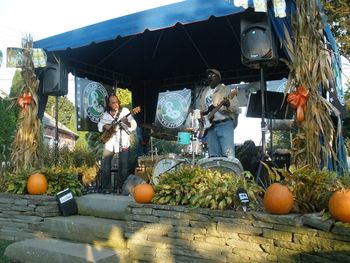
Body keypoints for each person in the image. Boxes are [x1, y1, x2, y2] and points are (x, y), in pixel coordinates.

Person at [98, 95, 137, 194]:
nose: (115, 104)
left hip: (123, 142)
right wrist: (104, 126)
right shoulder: (106, 114)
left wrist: (127, 122)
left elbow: (133, 126)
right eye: (113, 102)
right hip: (110, 143)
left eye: (116, 102)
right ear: (109, 104)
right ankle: (105, 188)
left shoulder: (124, 111)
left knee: (123, 166)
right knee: (105, 165)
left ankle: (122, 189)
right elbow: (99, 125)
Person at [198, 69, 240, 158]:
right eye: (209, 76)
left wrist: (228, 104)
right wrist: (201, 117)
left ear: (218, 78)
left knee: (228, 155)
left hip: (225, 124)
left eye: (213, 76)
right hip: (210, 126)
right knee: (213, 156)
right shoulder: (204, 91)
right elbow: (201, 109)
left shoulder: (226, 90)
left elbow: (236, 107)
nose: (210, 77)